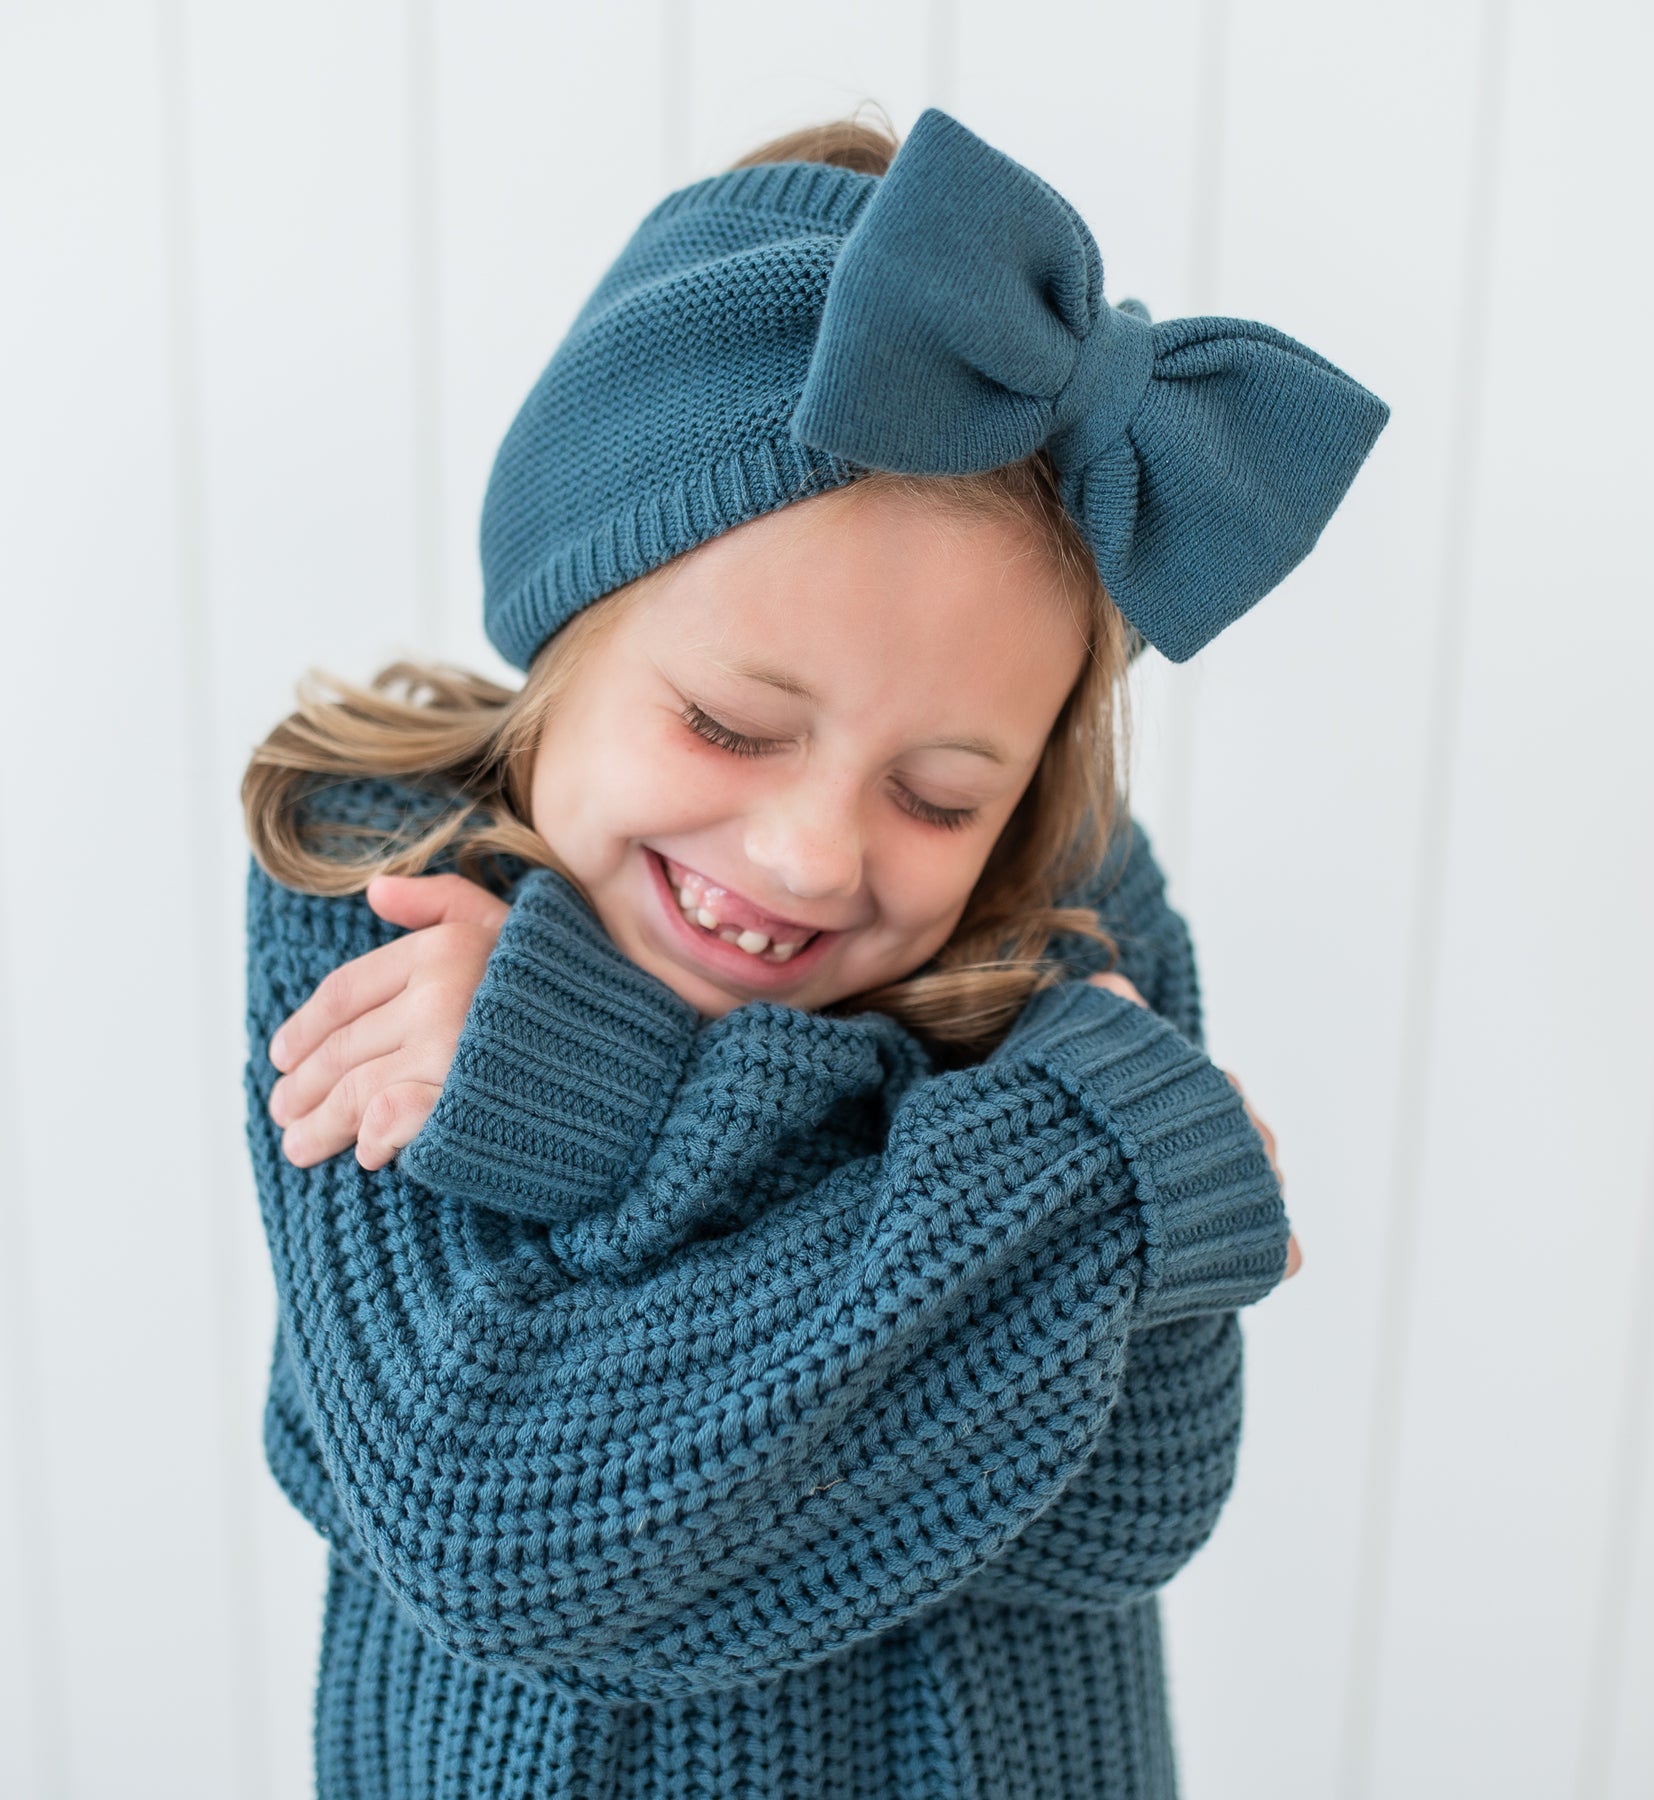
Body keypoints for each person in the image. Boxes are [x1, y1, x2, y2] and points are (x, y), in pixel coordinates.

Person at [240, 107, 1386, 1799]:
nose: (810, 855)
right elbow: (492, 1511)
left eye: (938, 794)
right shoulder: (377, 870)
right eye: (727, 724)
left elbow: (1141, 1489)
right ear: (570, 624)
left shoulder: (1080, 911)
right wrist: (1065, 1174)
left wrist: (602, 1091)